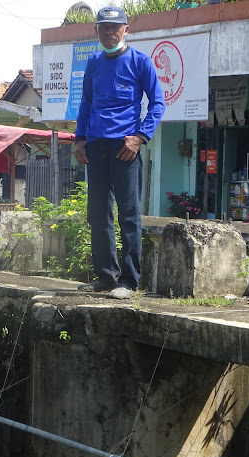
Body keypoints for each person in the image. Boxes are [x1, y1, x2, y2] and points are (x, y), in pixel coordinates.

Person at [75, 5, 166, 299]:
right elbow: (86, 104)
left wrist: (140, 137)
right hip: (96, 146)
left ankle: (129, 280)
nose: (110, 33)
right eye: (104, 28)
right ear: (96, 31)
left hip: (125, 148)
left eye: (116, 28)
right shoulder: (93, 63)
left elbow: (157, 103)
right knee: (98, 213)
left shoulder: (141, 62)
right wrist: (79, 139)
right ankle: (105, 276)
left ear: (126, 29)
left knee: (128, 214)